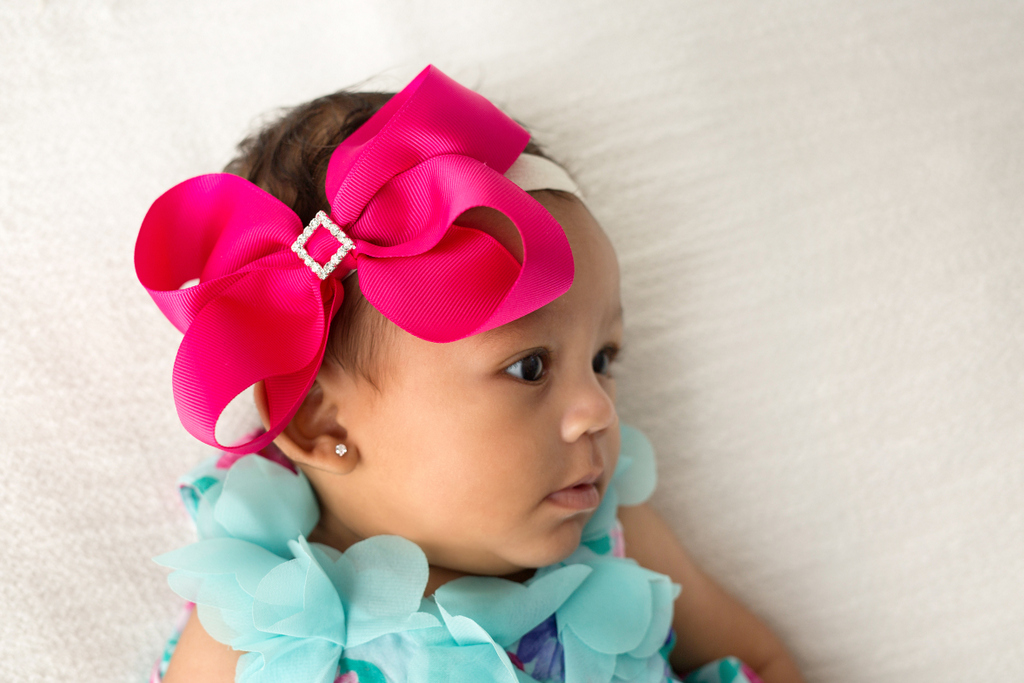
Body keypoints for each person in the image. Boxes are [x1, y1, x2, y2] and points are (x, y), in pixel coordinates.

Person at [137, 65, 804, 683]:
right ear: (324, 422)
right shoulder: (263, 631)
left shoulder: (615, 541)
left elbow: (763, 659)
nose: (598, 409)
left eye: (603, 360)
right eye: (530, 367)